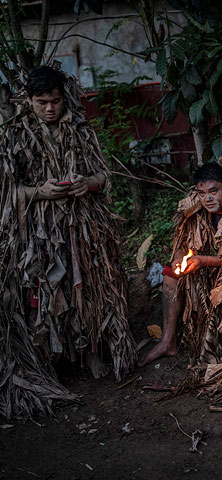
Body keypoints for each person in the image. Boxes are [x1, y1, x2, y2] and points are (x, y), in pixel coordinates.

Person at [0, 65, 137, 417]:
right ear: (27, 100)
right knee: (43, 293)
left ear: (65, 98)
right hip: (37, 234)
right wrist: (39, 193)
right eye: (42, 102)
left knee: (90, 288)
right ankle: (49, 363)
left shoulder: (80, 130)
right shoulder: (12, 135)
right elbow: (6, 192)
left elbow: (103, 175)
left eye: (56, 101)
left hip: (84, 227)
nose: (50, 109)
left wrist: (87, 184)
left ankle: (93, 350)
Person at [138, 162, 222, 366]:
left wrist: (203, 260)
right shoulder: (197, 212)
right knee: (170, 274)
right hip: (205, 270)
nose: (207, 198)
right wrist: (183, 258)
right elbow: (184, 243)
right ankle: (168, 340)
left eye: (214, 191)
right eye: (202, 193)